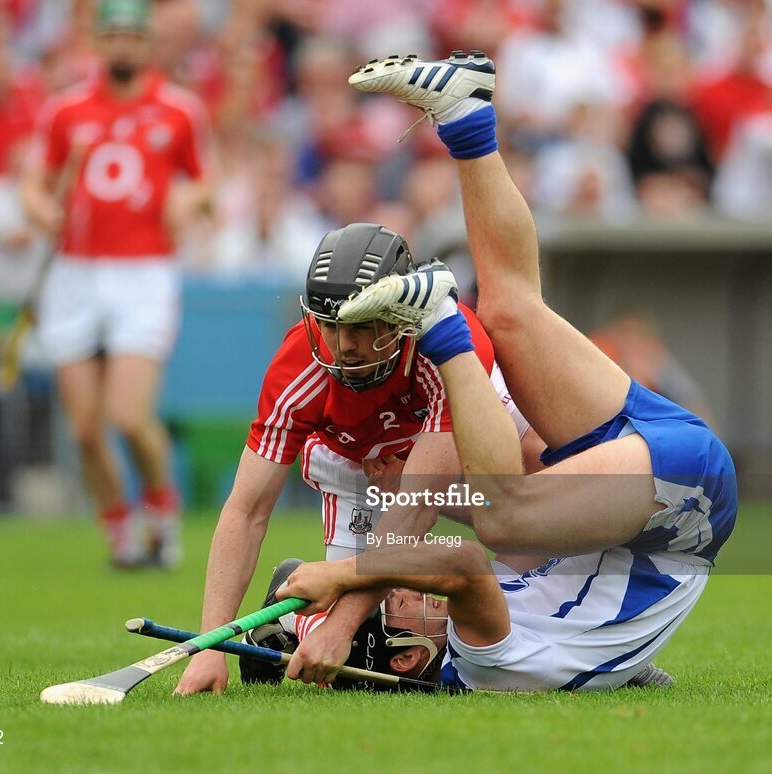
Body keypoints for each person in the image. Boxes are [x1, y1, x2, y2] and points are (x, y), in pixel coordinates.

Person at [271, 50, 737, 691]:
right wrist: (347, 577)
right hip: (682, 497)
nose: (398, 576)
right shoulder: (486, 654)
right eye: (395, 599)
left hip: (651, 487)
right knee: (499, 514)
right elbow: (465, 560)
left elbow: (527, 490)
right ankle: (439, 320)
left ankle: (464, 117)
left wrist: (418, 502)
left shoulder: (493, 636)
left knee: (511, 311)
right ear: (407, 656)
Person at [173, 221, 540, 694]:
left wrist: (340, 627)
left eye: (363, 327)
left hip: (448, 446)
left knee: (540, 490)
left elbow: (415, 509)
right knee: (369, 654)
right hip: (354, 466)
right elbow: (246, 511)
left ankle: (594, 645)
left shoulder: (450, 345)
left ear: (401, 316)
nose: (344, 346)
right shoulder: (295, 373)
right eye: (331, 326)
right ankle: (293, 625)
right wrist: (210, 649)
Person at [21, 0, 213, 568]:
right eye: (114, 35)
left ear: (146, 43)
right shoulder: (66, 111)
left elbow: (206, 181)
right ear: (98, 42)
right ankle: (120, 534)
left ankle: (161, 509)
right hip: (75, 272)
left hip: (143, 272)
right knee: (84, 428)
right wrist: (41, 211)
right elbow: (35, 183)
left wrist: (186, 199)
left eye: (133, 35)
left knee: (129, 416)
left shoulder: (178, 111)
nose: (123, 45)